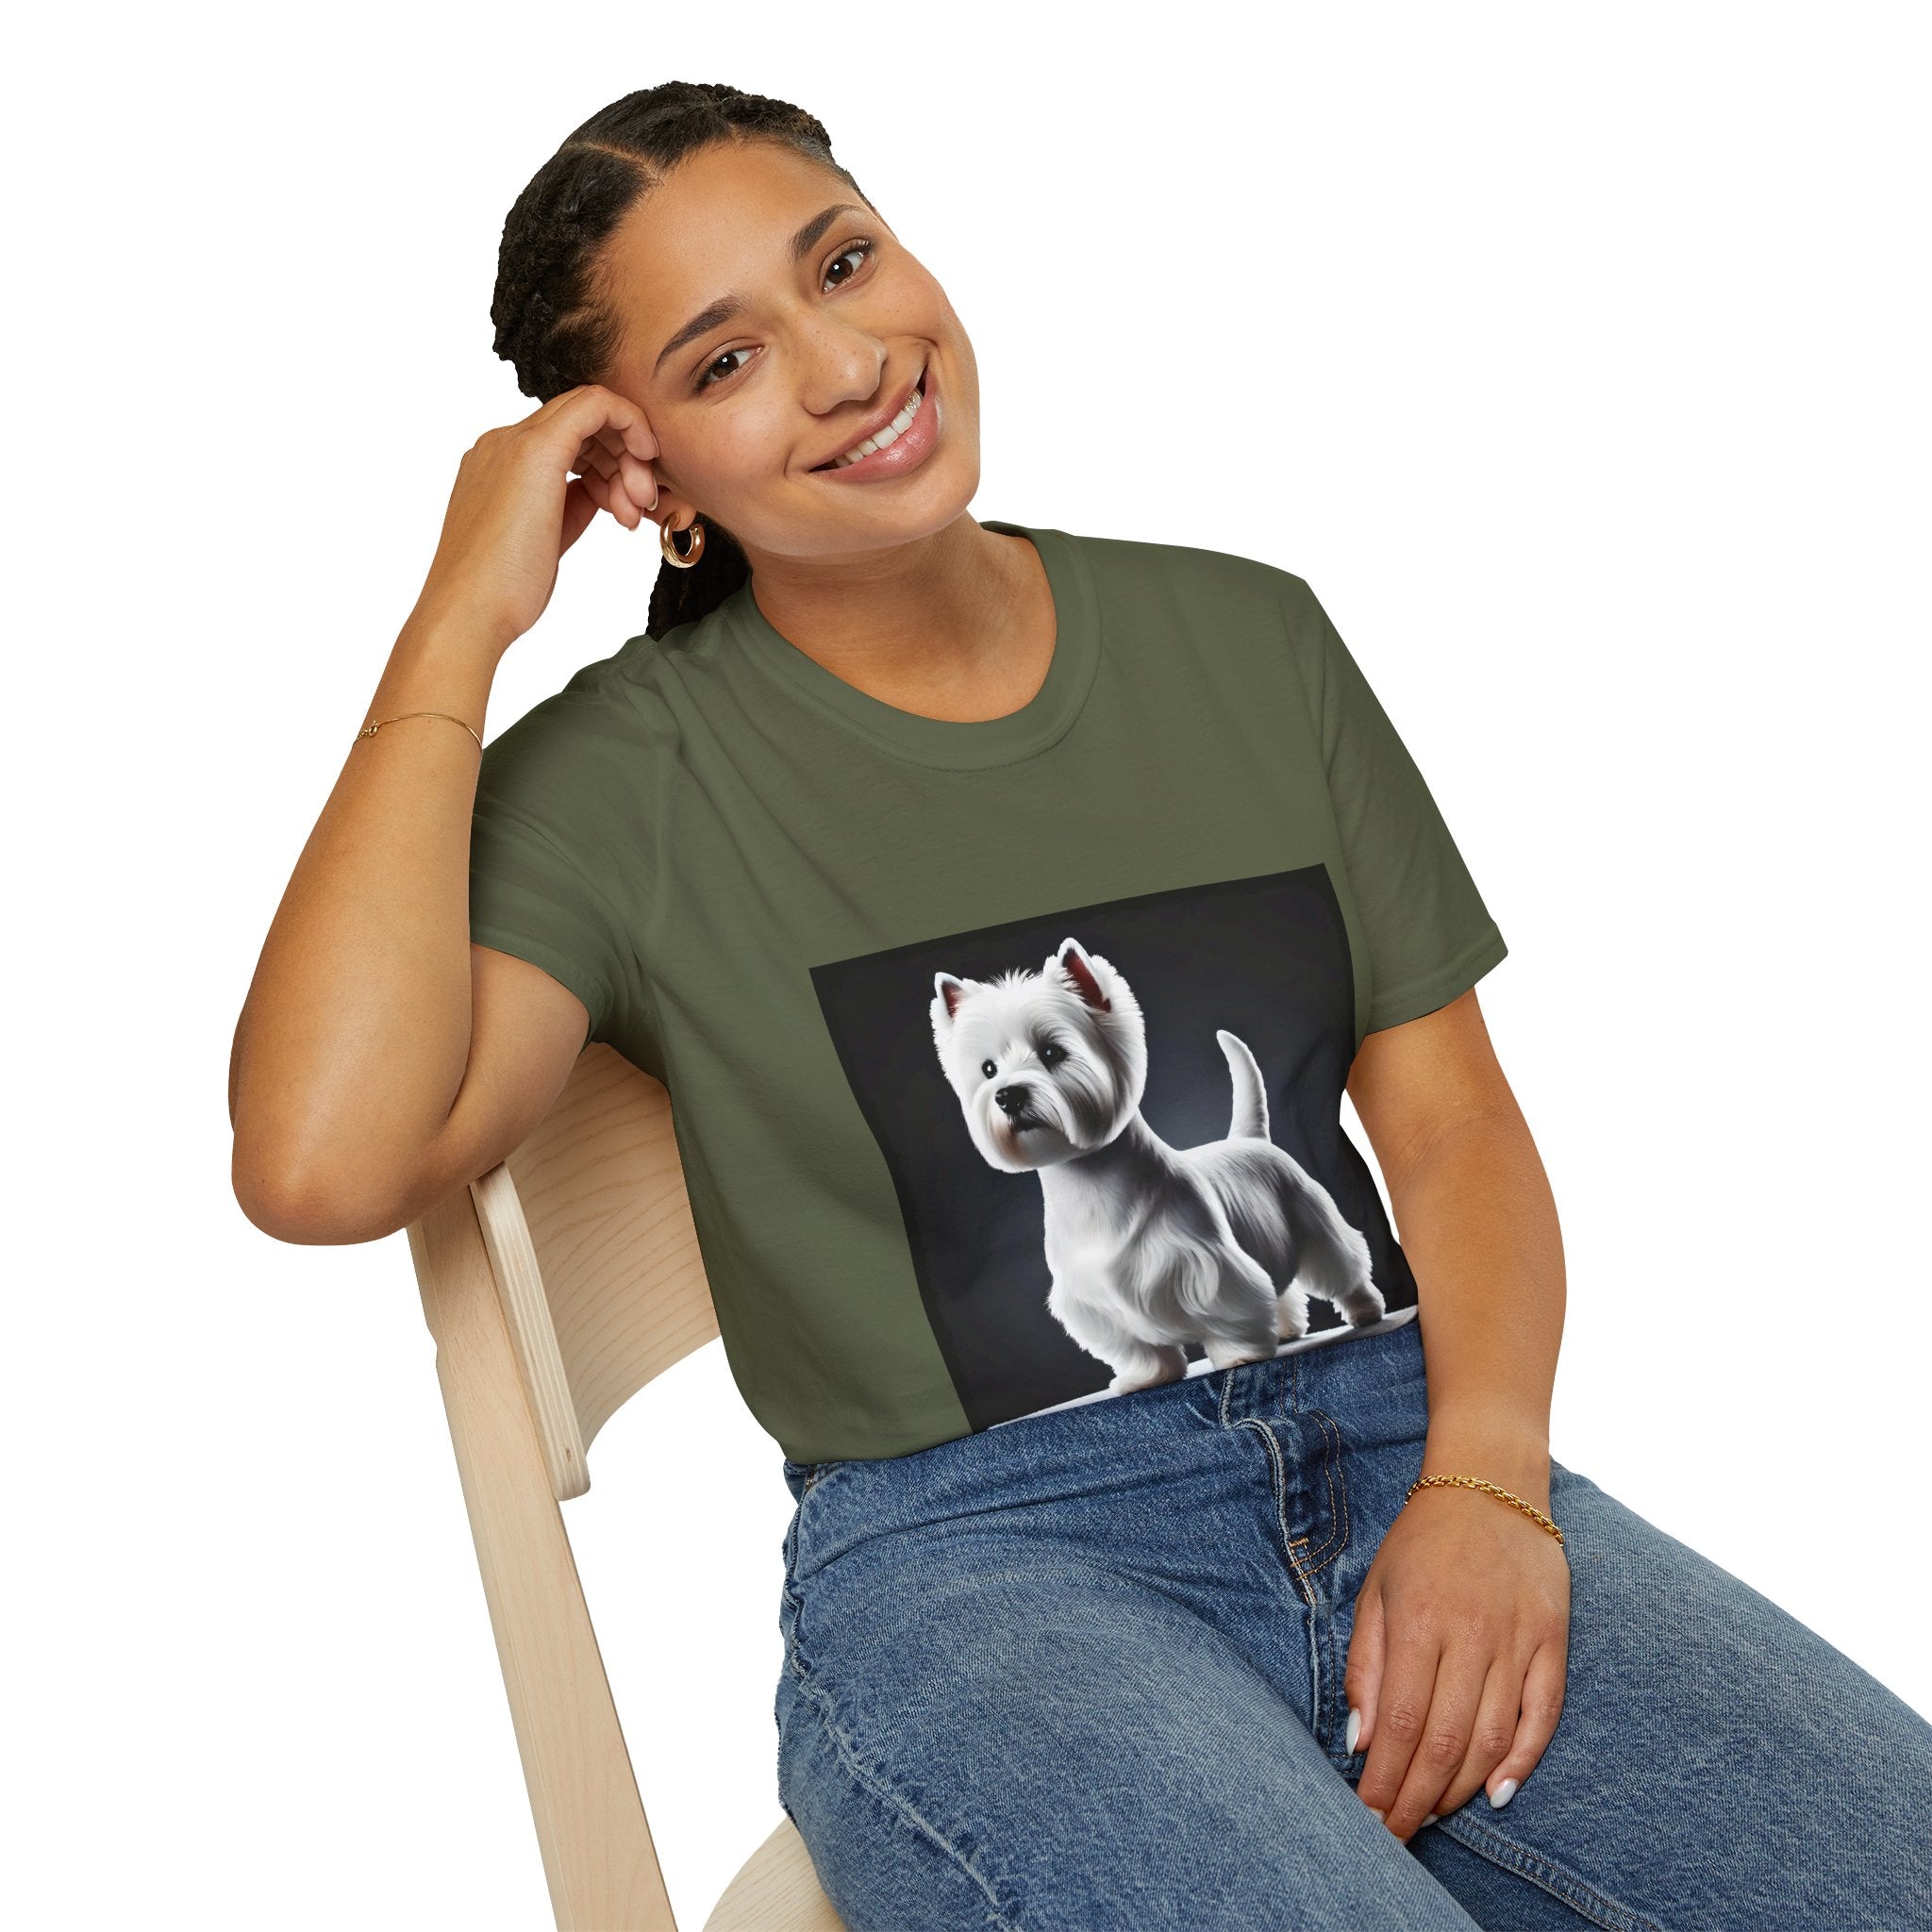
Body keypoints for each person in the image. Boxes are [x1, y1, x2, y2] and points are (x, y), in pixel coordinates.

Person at [228, 81, 1932, 1932]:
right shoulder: (628, 778)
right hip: (986, 1564)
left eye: (845, 263)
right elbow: (321, 1158)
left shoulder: (1247, 640)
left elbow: (1449, 1127)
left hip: (1406, 1444)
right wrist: (457, 620)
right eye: (724, 363)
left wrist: (1490, 1486)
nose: (845, 362)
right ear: (650, 483)